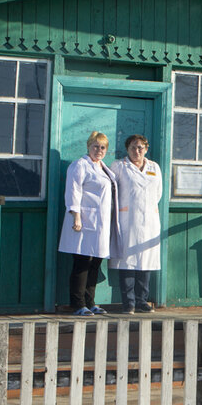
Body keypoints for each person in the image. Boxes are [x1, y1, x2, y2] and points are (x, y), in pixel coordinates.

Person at [58, 131, 118, 315]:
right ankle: (78, 304)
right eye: (95, 146)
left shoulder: (104, 168)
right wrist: (75, 215)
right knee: (82, 263)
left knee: (95, 264)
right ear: (88, 146)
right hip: (84, 221)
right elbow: (73, 191)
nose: (99, 150)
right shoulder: (80, 166)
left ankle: (91, 302)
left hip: (101, 224)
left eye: (102, 147)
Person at [110, 134, 162, 313]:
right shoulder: (119, 166)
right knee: (127, 262)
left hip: (149, 221)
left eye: (140, 147)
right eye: (133, 147)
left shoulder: (154, 167)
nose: (137, 151)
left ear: (146, 149)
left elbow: (158, 194)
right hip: (128, 220)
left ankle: (142, 300)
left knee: (145, 261)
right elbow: (112, 190)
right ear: (127, 149)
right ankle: (129, 303)